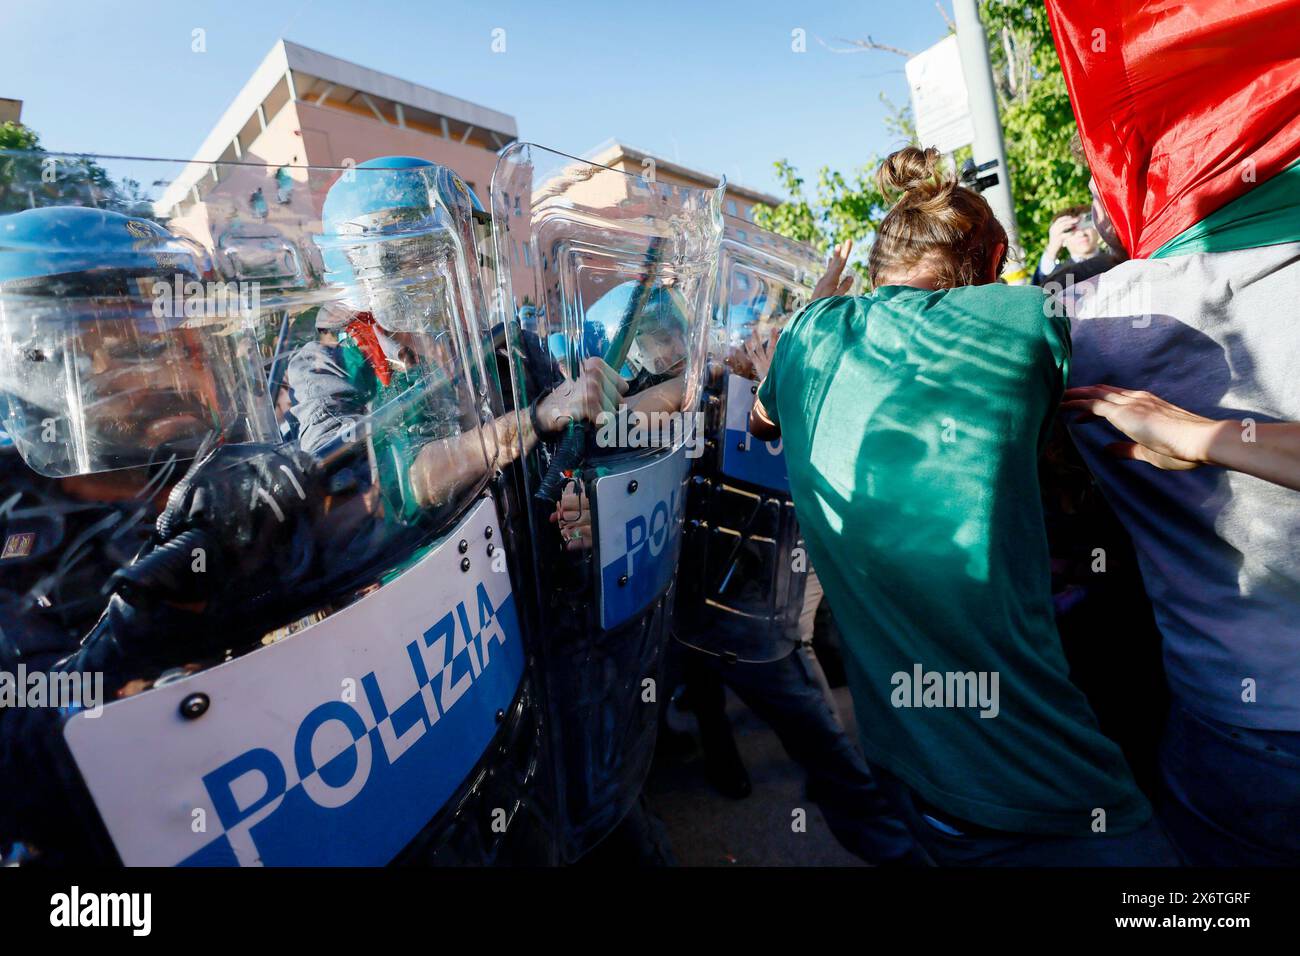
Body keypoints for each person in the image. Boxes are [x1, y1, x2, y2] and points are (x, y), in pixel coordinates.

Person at [748, 145, 1178, 866]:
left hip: (910, 772)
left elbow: (762, 420)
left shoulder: (807, 338)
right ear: (991, 258)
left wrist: (807, 323)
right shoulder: (1019, 315)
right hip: (1048, 782)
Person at [1032, 203, 1118, 287]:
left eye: (1085, 225)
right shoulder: (1057, 276)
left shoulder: (1118, 259)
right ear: (1062, 240)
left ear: (1096, 227)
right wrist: (1051, 249)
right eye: (1070, 229)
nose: (1081, 233)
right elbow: (1038, 290)